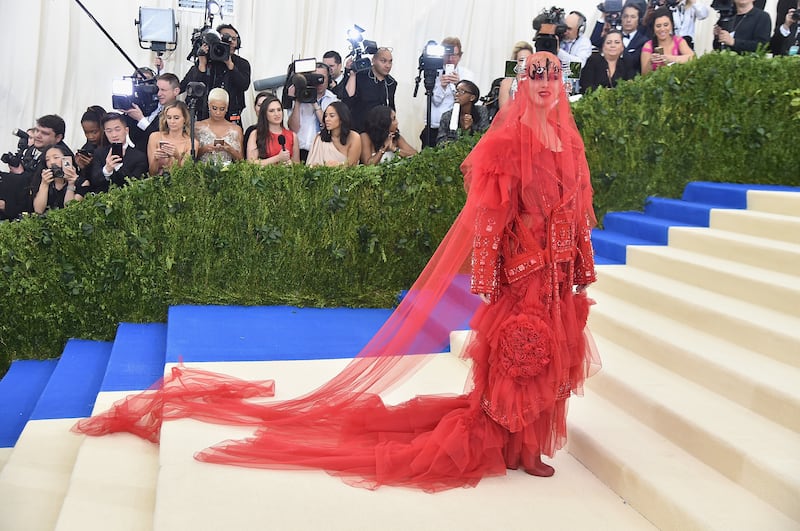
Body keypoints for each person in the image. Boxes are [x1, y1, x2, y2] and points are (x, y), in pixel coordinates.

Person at [74, 51, 600, 492]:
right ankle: (507, 440)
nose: (546, 86)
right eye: (536, 77)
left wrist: (579, 266)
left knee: (552, 354)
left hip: (557, 278)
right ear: (521, 88)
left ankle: (530, 442)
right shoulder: (506, 146)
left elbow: (578, 215)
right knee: (515, 354)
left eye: (554, 78)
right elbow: (488, 218)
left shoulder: (569, 146)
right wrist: (488, 278)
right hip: (522, 273)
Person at [181, 24, 252, 125]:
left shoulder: (242, 64)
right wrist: (202, 64)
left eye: (234, 39)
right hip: (204, 116)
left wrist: (230, 64)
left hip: (231, 116)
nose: (230, 41)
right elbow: (190, 86)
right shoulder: (206, 60)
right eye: (226, 38)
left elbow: (244, 85)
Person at [419, 37, 477, 148]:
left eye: (454, 55)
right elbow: (435, 101)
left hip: (456, 127)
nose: (450, 59)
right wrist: (442, 86)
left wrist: (458, 84)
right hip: (434, 127)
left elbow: (468, 101)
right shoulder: (433, 72)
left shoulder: (467, 75)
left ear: (460, 56)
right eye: (447, 55)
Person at [82, 112, 148, 194]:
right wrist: (106, 170)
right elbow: (94, 181)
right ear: (105, 132)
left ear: (126, 130)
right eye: (109, 131)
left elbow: (135, 185)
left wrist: (118, 167)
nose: (114, 135)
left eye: (117, 129)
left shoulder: (139, 156)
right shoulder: (99, 153)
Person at [287, 62, 338, 162]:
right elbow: (293, 128)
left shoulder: (333, 100)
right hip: (301, 150)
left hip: (323, 151)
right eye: (314, 77)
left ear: (328, 79)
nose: (318, 82)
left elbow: (328, 125)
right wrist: (298, 100)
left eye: (321, 78)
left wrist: (314, 102)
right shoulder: (298, 97)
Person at [123, 72, 182, 153]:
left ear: (176, 91)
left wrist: (141, 119)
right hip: (139, 154)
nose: (159, 94)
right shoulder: (150, 105)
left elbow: (162, 139)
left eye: (163, 90)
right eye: (157, 89)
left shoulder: (179, 112)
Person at [343, 47, 397, 132]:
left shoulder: (391, 83)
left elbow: (391, 106)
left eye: (390, 61)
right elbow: (348, 100)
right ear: (373, 60)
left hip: (379, 131)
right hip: (358, 129)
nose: (387, 65)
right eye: (383, 61)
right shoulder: (361, 76)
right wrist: (351, 74)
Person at [591, 3, 651, 74]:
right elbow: (595, 40)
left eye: (633, 17)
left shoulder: (644, 41)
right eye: (625, 16)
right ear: (621, 18)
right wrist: (604, 16)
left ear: (638, 20)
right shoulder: (613, 35)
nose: (628, 20)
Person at [194, 88, 244, 165]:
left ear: (227, 108)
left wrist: (230, 149)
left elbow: (242, 161)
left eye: (222, 109)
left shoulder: (236, 129)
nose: (218, 112)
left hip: (228, 173)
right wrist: (205, 149)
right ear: (209, 105)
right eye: (214, 108)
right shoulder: (198, 127)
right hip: (202, 173)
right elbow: (191, 158)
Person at [247, 96, 300, 165]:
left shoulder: (292, 136)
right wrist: (277, 158)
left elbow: (297, 165)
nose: (277, 114)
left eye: (279, 110)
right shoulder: (255, 134)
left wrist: (291, 164)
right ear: (265, 114)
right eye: (271, 111)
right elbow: (251, 163)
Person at [305, 101, 361, 167]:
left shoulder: (354, 137)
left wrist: (336, 165)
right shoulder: (319, 138)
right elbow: (311, 166)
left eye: (332, 116)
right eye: (325, 116)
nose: (327, 119)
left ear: (342, 118)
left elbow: (351, 165)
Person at [641, 8, 695, 74]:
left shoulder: (679, 41)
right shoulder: (648, 46)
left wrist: (670, 59)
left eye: (666, 25)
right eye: (658, 26)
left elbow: (692, 57)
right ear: (653, 28)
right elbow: (644, 75)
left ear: (671, 25)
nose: (662, 29)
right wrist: (650, 62)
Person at [436, 80, 490, 145]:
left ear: (472, 97)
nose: (457, 94)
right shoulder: (447, 116)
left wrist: (469, 129)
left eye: (461, 92)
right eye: (456, 91)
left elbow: (484, 138)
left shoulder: (482, 111)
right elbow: (440, 142)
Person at [147, 101, 193, 176]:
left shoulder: (191, 142)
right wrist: (155, 159)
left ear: (185, 119)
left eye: (176, 118)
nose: (172, 121)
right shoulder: (154, 137)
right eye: (169, 117)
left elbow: (185, 174)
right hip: (157, 183)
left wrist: (177, 156)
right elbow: (151, 173)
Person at [32, 145, 80, 214]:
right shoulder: (42, 180)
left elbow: (70, 210)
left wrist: (71, 184)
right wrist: (44, 184)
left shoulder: (81, 182)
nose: (52, 162)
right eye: (47, 159)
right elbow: (38, 210)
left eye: (56, 157)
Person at [498, 41, 534, 110]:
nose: (525, 63)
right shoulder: (507, 83)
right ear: (515, 62)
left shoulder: (537, 82)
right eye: (521, 60)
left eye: (528, 59)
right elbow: (504, 112)